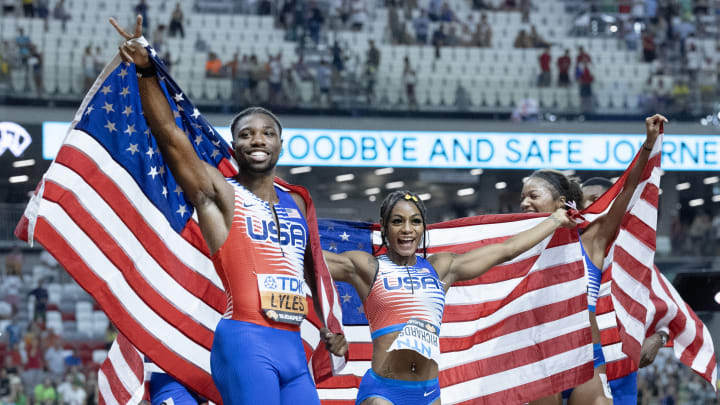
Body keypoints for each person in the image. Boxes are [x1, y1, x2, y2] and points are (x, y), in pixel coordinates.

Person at [110, 15, 347, 405]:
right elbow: (171, 137)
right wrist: (147, 72)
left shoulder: (298, 202)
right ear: (234, 146)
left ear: (280, 145)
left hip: (292, 350)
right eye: (246, 133)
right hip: (245, 341)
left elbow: (310, 268)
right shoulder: (219, 193)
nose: (258, 139)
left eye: (268, 133)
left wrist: (325, 324)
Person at [323, 190, 576, 404]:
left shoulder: (440, 268)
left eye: (415, 221)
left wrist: (555, 220)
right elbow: (310, 258)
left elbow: (506, 250)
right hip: (383, 393)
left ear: (424, 227)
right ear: (384, 226)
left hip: (429, 393)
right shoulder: (368, 268)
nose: (407, 229)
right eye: (397, 221)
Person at [524, 114, 666, 405]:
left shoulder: (591, 242)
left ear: (560, 203)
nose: (524, 203)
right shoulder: (516, 249)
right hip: (539, 355)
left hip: (589, 355)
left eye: (532, 195)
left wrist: (648, 146)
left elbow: (627, 191)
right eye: (522, 197)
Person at [581, 176, 671, 405]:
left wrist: (658, 339)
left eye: (597, 198)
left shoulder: (632, 258)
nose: (591, 205)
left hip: (621, 382)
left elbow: (670, 311)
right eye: (585, 201)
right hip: (576, 375)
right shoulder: (567, 250)